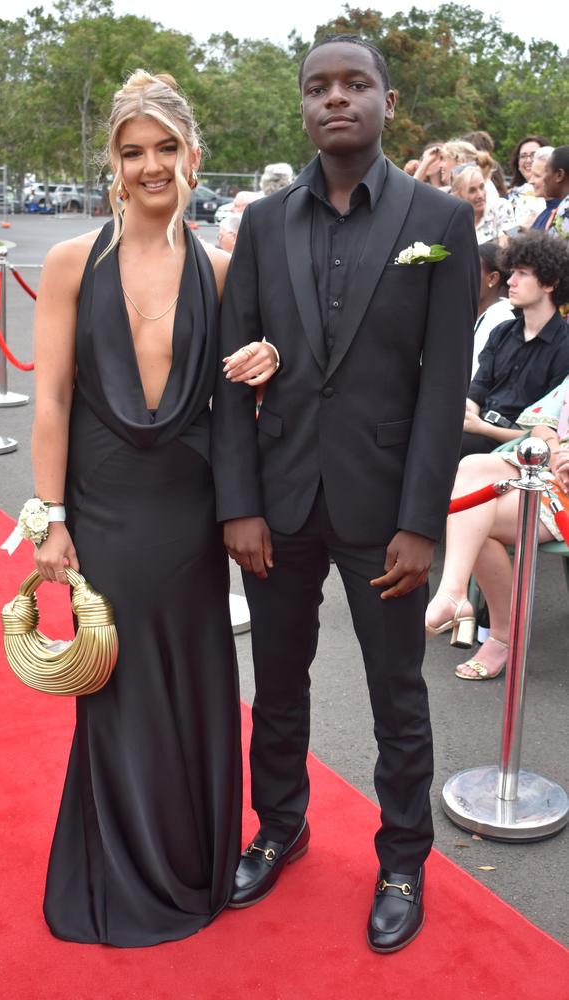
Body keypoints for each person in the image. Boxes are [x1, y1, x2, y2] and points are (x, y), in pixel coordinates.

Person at [211, 33, 480, 953]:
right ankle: (279, 824)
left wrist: (420, 523)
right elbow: (230, 374)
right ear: (302, 106)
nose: (337, 98)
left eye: (354, 84)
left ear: (387, 102)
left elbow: (444, 384)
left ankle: (403, 857)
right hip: (278, 503)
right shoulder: (264, 223)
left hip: (384, 510)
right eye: (319, 86)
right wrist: (238, 503)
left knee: (396, 692)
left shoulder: (440, 221)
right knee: (278, 684)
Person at [30, 69, 279, 948]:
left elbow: (248, 391)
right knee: (118, 681)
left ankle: (191, 858)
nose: (149, 166)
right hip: (102, 506)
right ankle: (122, 866)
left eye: (164, 148)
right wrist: (48, 518)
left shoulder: (220, 269)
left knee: (194, 677)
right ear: (112, 161)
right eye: (132, 151)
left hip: (189, 508)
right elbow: (52, 399)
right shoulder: (70, 262)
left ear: (193, 156)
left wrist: (267, 360)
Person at [426, 375, 569, 680]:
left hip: (560, 490)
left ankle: (496, 632)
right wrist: (556, 451)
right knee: (470, 467)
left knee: (477, 516)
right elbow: (542, 421)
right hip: (550, 468)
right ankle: (454, 592)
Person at [461, 231, 569, 458]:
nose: (510, 281)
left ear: (550, 283)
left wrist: (482, 428)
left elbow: (547, 432)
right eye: (512, 272)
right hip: (478, 432)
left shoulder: (564, 347)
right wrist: (468, 412)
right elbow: (477, 391)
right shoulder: (501, 333)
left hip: (521, 451)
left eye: (522, 273)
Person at [472, 241, 514, 375]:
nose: (465, 277)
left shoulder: (503, 320)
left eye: (472, 270)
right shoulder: (472, 314)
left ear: (492, 278)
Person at [450, 163, 515, 244]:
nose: (480, 195)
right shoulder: (454, 221)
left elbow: (510, 243)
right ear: (458, 195)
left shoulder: (501, 206)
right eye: (472, 191)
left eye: (482, 187)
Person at [508, 134, 550, 226]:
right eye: (523, 156)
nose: (528, 160)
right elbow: (504, 238)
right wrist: (522, 228)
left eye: (533, 155)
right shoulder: (507, 199)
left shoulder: (555, 197)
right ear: (517, 164)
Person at [529, 147, 559, 231]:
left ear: (558, 176)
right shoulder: (545, 213)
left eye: (537, 176)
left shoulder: (561, 215)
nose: (531, 181)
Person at [543, 145, 569, 241]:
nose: (543, 178)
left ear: (559, 175)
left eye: (546, 171)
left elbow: (551, 254)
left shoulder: (566, 209)